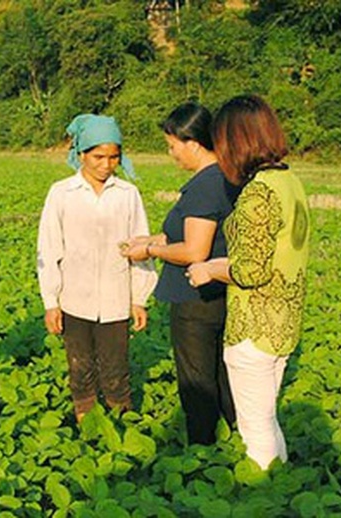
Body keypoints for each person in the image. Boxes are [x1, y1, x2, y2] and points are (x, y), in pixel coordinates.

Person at [187, 94, 309, 470]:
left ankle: (264, 491)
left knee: (255, 430)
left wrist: (209, 270)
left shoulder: (258, 193)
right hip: (284, 321)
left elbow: (250, 272)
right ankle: (282, 485)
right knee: (267, 421)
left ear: (234, 143)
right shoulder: (289, 182)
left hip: (254, 327)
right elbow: (271, 256)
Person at [120, 102, 240, 445]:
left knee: (197, 380)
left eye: (172, 146)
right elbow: (197, 236)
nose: (171, 154)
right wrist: (153, 239)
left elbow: (193, 251)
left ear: (193, 143)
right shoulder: (227, 177)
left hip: (195, 300)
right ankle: (234, 439)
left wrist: (149, 251)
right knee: (222, 373)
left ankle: (203, 449)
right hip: (219, 294)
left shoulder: (204, 186)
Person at [37, 114, 158, 422]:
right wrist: (51, 302)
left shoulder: (127, 194)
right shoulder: (61, 193)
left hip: (116, 299)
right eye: (98, 157)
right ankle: (87, 423)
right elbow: (49, 250)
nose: (106, 165)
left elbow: (140, 247)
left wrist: (139, 298)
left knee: (116, 368)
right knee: (80, 367)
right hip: (74, 299)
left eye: (114, 157)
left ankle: (121, 422)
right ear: (81, 155)